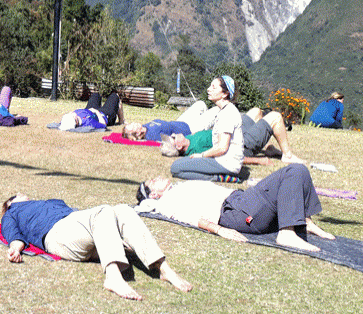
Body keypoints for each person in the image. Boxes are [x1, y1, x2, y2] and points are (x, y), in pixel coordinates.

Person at [1, 193, 191, 301]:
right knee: (103, 210)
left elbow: (85, 218)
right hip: (57, 235)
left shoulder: (47, 202)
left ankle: (164, 268)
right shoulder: (12, 212)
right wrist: (15, 249)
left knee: (123, 209)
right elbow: (13, 234)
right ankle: (113, 277)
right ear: (11, 202)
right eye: (18, 195)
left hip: (78, 228)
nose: (24, 195)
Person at [137, 163, 335, 252]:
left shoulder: (177, 188)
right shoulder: (166, 202)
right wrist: (220, 230)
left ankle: (304, 221)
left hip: (241, 200)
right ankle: (286, 234)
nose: (157, 178)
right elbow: (187, 217)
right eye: (152, 182)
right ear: (154, 195)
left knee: (299, 169)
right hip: (237, 211)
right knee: (293, 171)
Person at [161, 107, 304, 164]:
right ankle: (287, 155)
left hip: (234, 131)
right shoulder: (197, 152)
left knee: (256, 111)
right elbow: (226, 157)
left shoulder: (188, 139)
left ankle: (268, 147)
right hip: (242, 143)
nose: (173, 134)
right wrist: (258, 161)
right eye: (172, 137)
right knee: (275, 117)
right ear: (179, 146)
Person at [167, 76, 244, 180]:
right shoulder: (224, 110)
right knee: (180, 164)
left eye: (214, 87)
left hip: (227, 163)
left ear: (225, 94)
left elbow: (222, 148)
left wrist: (202, 155)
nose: (209, 89)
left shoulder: (228, 113)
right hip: (223, 160)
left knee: (176, 168)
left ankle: (220, 177)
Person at [124, 100, 218, 141]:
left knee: (200, 104)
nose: (134, 123)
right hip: (190, 130)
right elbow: (169, 141)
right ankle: (210, 134)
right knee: (217, 110)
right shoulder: (152, 136)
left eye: (131, 123)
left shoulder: (145, 126)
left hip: (181, 121)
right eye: (132, 126)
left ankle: (209, 131)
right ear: (137, 134)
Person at [57, 91, 125, 131]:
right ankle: (121, 121)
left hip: (89, 110)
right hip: (103, 115)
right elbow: (103, 124)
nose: (71, 113)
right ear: (76, 120)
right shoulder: (88, 123)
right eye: (71, 115)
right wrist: (96, 112)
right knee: (115, 96)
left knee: (96, 94)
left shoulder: (70, 118)